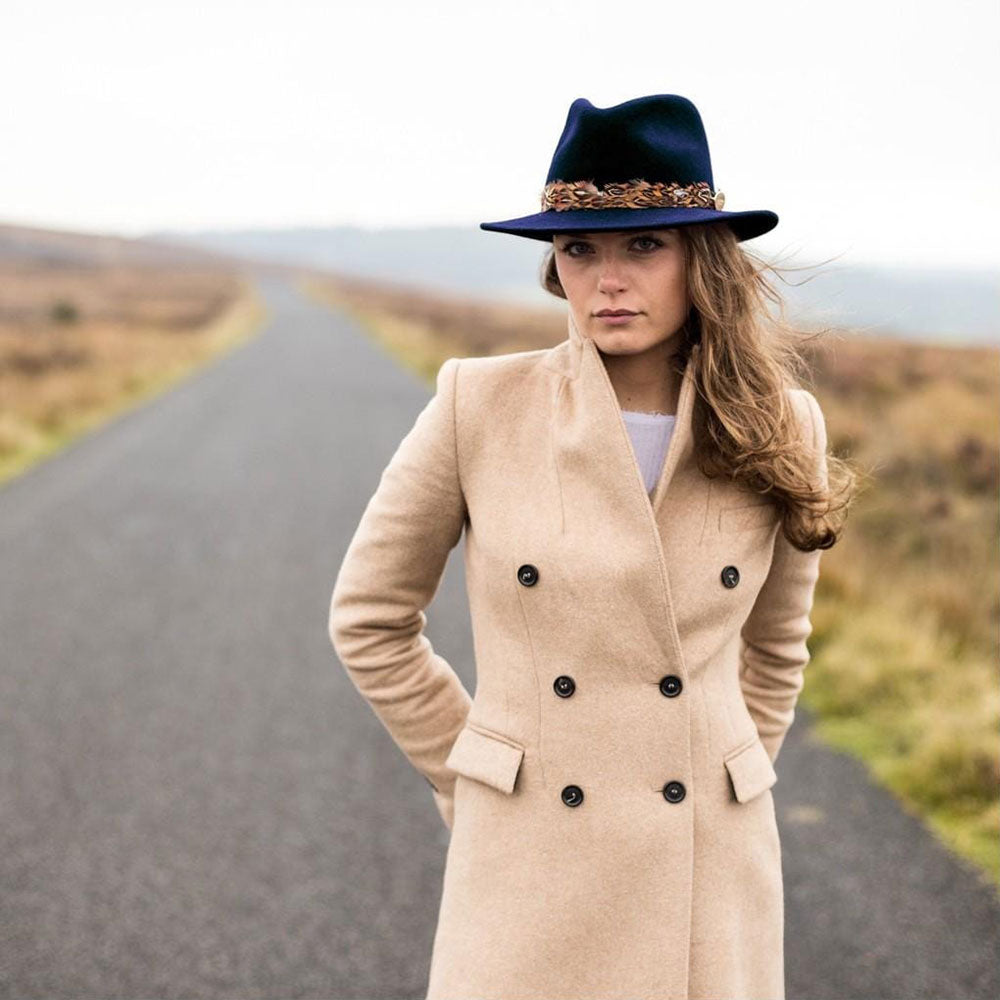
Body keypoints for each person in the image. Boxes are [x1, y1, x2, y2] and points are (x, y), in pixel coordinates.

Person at [328, 93, 851, 1000]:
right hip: (532, 858)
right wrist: (478, 775)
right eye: (579, 250)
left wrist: (724, 774)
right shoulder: (479, 406)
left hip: (709, 869)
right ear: (555, 267)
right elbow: (369, 619)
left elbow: (776, 650)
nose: (608, 280)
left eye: (643, 245)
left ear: (702, 258)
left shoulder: (781, 425)